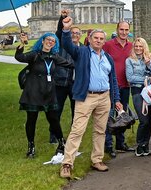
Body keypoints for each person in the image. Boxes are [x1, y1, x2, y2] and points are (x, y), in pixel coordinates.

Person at [59, 18, 123, 179]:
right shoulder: (82, 53)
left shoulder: (107, 57)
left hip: (104, 97)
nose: (99, 41)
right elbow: (67, 46)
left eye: (102, 39)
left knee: (100, 130)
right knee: (77, 130)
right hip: (86, 97)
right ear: (90, 39)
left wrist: (116, 99)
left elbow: (113, 79)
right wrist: (66, 30)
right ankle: (67, 163)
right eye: (96, 38)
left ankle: (97, 160)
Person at [15, 32, 72, 159]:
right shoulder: (34, 55)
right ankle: (31, 147)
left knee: (53, 119)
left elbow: (70, 64)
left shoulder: (54, 57)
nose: (50, 42)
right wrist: (21, 43)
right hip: (33, 92)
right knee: (31, 120)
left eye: (53, 41)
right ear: (42, 41)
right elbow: (19, 57)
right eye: (48, 40)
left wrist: (84, 63)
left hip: (48, 93)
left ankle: (62, 143)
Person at [103, 21, 134, 156]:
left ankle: (120, 143)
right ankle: (108, 145)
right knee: (109, 116)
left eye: (126, 30)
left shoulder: (131, 46)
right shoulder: (108, 45)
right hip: (110, 86)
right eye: (121, 29)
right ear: (117, 30)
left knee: (122, 115)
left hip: (125, 85)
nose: (124, 32)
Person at [49, 11, 78, 144]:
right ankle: (54, 135)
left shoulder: (82, 48)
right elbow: (59, 32)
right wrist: (63, 18)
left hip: (76, 84)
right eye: (73, 33)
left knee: (76, 112)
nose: (75, 35)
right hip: (61, 81)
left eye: (77, 33)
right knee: (57, 109)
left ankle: (74, 136)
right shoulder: (61, 44)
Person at [126, 37, 151, 156]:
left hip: (150, 92)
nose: (138, 48)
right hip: (137, 91)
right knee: (143, 120)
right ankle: (139, 144)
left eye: (140, 46)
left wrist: (149, 65)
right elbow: (130, 78)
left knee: (150, 120)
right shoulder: (129, 60)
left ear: (144, 47)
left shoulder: (150, 57)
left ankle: (146, 144)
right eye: (136, 46)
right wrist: (147, 79)